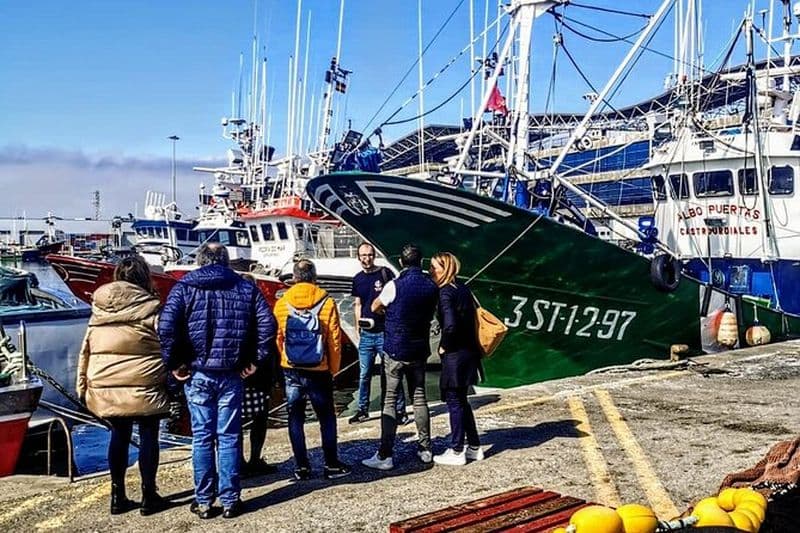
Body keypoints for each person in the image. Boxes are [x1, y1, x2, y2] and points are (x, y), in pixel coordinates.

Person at [159, 243, 276, 519]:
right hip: (232, 372)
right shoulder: (245, 288)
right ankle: (230, 500)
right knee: (229, 436)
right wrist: (255, 361)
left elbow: (166, 328)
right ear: (225, 261)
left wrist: (174, 364)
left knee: (202, 437)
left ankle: (203, 501)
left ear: (200, 260)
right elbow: (268, 326)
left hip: (197, 372)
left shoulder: (184, 287)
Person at [77, 255, 169, 516]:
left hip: (106, 380)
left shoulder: (99, 307)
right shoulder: (152, 307)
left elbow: (86, 347)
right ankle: (149, 495)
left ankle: (117, 495)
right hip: (145, 380)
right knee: (150, 434)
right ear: (144, 277)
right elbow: (166, 342)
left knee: (119, 435)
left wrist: (82, 383)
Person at [362, 243, 438, 470]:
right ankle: (425, 449)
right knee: (420, 397)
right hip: (419, 350)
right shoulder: (431, 286)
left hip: (395, 348)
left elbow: (375, 306)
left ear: (402, 263)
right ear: (421, 262)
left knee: (390, 400)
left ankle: (385, 454)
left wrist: (389, 312)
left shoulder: (394, 285)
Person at [274, 259, 351, 481]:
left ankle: (302, 467)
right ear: (314, 276)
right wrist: (333, 369)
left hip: (292, 368)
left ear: (294, 277)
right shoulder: (326, 302)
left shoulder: (282, 302)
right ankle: (331, 464)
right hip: (320, 368)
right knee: (326, 417)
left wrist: (285, 360)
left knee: (295, 418)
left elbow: (279, 338)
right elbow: (334, 340)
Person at [428, 252, 484, 466]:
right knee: (462, 401)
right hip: (469, 352)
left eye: (435, 267)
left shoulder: (444, 293)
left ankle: (457, 449)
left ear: (446, 269)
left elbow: (450, 324)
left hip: (455, 355)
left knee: (454, 402)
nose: (431, 271)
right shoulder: (463, 288)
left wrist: (443, 346)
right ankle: (474, 446)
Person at [348, 242, 407, 425]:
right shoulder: (357, 279)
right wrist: (357, 325)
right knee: (364, 374)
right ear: (358, 258)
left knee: (392, 371)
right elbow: (358, 303)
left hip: (384, 332)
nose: (367, 259)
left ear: (374, 256)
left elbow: (394, 298)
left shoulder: (384, 273)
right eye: (363, 256)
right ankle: (362, 410)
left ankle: (399, 410)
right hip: (366, 334)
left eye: (369, 255)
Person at [239, 274, 278, 477]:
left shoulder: (231, 310)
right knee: (259, 418)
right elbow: (270, 338)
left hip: (237, 375)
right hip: (259, 373)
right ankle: (255, 458)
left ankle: (238, 461)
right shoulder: (260, 310)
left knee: (234, 422)